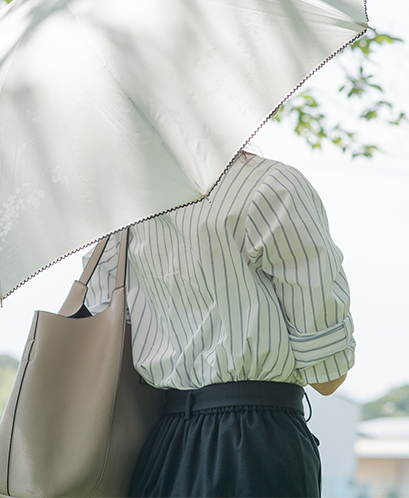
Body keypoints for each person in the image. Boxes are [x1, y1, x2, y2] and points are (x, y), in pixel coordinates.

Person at [83, 151, 355, 497]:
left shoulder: (123, 210)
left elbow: (104, 315)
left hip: (162, 448)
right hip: (257, 444)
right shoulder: (271, 186)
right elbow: (328, 375)